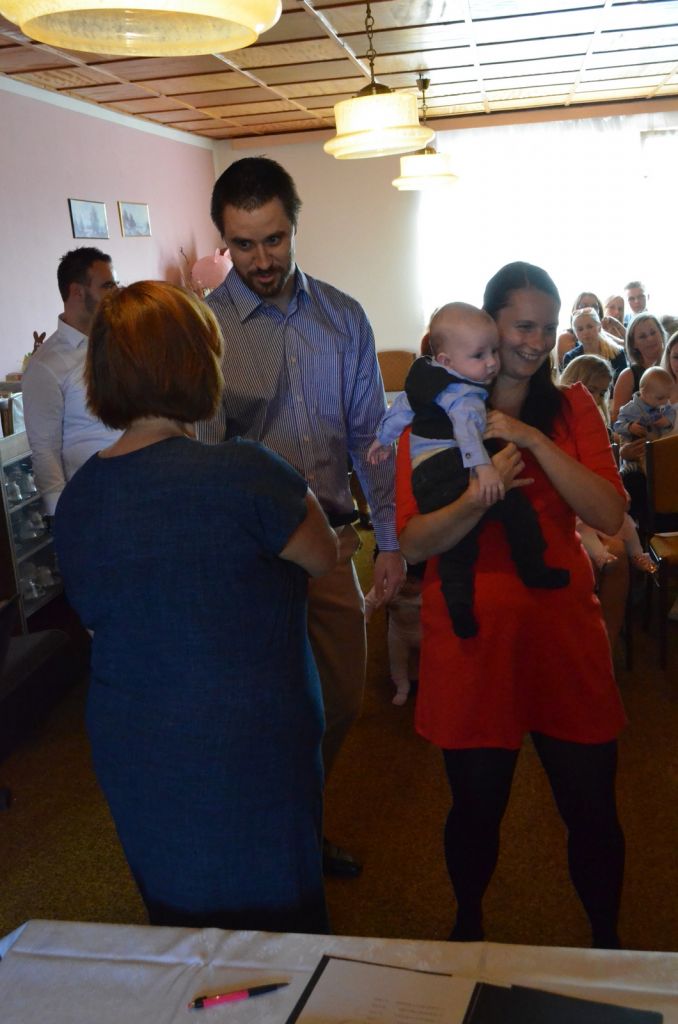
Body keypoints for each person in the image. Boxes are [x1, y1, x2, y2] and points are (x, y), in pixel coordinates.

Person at [54, 281, 338, 934]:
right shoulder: (246, 471)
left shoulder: (80, 498)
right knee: (279, 929)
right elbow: (323, 556)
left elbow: (99, 617)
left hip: (134, 733)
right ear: (197, 365)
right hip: (245, 736)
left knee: (179, 921)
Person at [397, 261, 627, 949]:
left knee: (592, 809)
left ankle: (607, 944)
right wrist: (478, 495)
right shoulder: (432, 417)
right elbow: (415, 541)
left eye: (548, 328)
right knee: (476, 811)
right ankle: (468, 927)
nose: (537, 342)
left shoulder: (572, 407)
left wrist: (530, 439)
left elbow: (608, 513)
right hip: (473, 642)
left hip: (563, 636)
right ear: (489, 325)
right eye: (523, 326)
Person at [197, 156, 405, 878]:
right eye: (243, 244)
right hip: (246, 560)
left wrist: (390, 539)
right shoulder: (205, 329)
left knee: (341, 698)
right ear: (224, 239)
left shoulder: (343, 317)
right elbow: (203, 455)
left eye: (274, 239)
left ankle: (296, 820)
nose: (261, 259)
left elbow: (371, 438)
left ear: (294, 225)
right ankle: (280, 843)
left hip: (333, 545)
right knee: (259, 714)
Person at [369, 302, 568, 639]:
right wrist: (484, 469)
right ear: (447, 360)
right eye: (479, 355)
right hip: (453, 464)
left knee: (457, 546)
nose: (491, 362)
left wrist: (382, 439)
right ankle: (533, 569)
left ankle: (459, 608)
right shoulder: (465, 393)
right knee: (517, 510)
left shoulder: (426, 379)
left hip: (425, 476)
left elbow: (402, 407)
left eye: (493, 351)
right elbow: (466, 431)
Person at [22, 247, 121, 515]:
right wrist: (60, 516)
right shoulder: (46, 366)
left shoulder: (121, 340)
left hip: (140, 485)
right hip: (93, 502)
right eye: (108, 286)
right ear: (77, 291)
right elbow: (45, 450)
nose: (116, 292)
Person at [613, 366, 676, 443]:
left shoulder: (663, 405)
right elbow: (617, 426)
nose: (665, 402)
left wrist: (667, 421)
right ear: (644, 393)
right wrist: (630, 427)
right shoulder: (629, 409)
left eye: (668, 397)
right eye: (660, 398)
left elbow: (671, 412)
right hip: (636, 446)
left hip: (658, 444)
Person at [561, 307, 626, 380]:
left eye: (590, 327)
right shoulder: (570, 357)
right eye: (580, 329)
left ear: (599, 327)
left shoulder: (617, 353)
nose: (585, 332)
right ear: (575, 333)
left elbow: (623, 382)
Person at [555, 290, 603, 367]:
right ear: (575, 310)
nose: (589, 309)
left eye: (594, 307)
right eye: (583, 306)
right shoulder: (566, 338)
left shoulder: (608, 341)